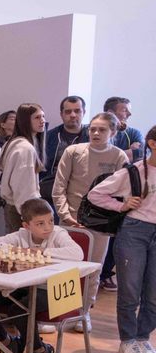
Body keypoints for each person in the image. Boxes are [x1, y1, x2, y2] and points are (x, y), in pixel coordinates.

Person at [0, 199, 82, 353]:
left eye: (50, 221)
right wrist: (14, 249)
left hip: (53, 289)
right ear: (26, 225)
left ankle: (40, 350)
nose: (47, 227)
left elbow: (77, 253)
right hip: (25, 285)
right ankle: (8, 343)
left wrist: (38, 252)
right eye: (40, 223)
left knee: (19, 309)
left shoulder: (58, 234)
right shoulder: (21, 235)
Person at [87, 125, 156, 353]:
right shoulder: (134, 171)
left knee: (153, 293)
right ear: (152, 144)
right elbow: (95, 194)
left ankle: (142, 337)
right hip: (135, 231)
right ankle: (127, 341)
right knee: (130, 290)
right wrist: (122, 205)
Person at [52, 111, 127, 329]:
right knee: (65, 267)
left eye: (102, 130)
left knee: (93, 268)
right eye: (93, 129)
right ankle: (61, 313)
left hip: (100, 222)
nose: (95, 133)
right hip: (71, 219)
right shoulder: (73, 151)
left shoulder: (119, 156)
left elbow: (122, 192)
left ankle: (83, 312)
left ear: (112, 132)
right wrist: (66, 216)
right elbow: (59, 187)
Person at [0, 103, 47, 232]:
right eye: (37, 117)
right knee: (23, 245)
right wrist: (29, 216)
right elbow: (23, 188)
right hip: (22, 209)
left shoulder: (13, 142)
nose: (42, 120)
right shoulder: (25, 148)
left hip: (14, 207)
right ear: (25, 121)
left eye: (43, 116)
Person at [43, 96, 88, 181]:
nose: (73, 115)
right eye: (68, 112)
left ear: (84, 113)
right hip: (53, 184)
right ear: (61, 114)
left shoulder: (92, 136)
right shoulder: (49, 137)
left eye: (77, 111)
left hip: (84, 185)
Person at [104, 96, 143, 161]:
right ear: (110, 113)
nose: (130, 114)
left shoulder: (134, 133)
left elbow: (141, 153)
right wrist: (130, 152)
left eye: (129, 111)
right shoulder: (94, 131)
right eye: (124, 111)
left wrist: (109, 156)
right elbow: (97, 157)